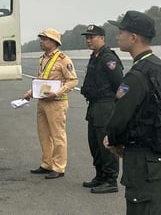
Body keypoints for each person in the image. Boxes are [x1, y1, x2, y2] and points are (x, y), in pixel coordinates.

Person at [103, 10, 161, 214]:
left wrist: (112, 140)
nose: (117, 36)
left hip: (144, 159)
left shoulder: (137, 75)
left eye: (121, 32)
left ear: (133, 37)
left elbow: (119, 119)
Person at [22, 28, 78, 179]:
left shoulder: (63, 59)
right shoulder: (42, 59)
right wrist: (30, 93)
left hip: (57, 103)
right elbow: (41, 80)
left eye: (45, 39)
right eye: (41, 38)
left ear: (54, 42)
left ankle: (59, 167)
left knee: (57, 136)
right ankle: (47, 164)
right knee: (44, 135)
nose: (41, 41)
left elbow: (73, 81)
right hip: (43, 102)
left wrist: (57, 92)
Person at [80, 24, 123, 193]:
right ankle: (100, 176)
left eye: (92, 37)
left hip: (106, 107)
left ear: (102, 38)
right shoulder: (96, 56)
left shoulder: (108, 58)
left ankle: (110, 180)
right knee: (95, 144)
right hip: (94, 107)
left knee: (106, 145)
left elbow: (121, 84)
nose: (88, 40)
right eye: (87, 38)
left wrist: (118, 106)